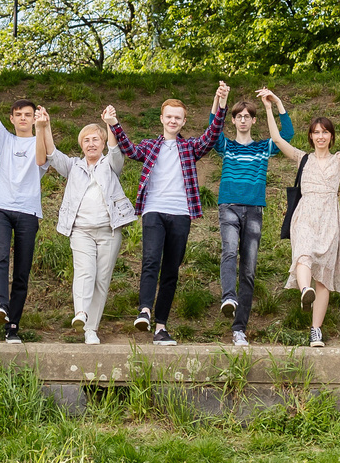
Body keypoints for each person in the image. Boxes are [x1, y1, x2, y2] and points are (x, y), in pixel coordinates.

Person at [108, 80, 232, 343]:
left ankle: (160, 326)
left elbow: (213, 133)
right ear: (162, 119)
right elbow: (129, 150)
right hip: (154, 210)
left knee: (171, 269)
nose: (173, 121)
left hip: (181, 214)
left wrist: (221, 103)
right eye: (169, 117)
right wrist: (114, 124)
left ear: (183, 122)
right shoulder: (151, 146)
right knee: (151, 260)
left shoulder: (190, 148)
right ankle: (144, 310)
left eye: (178, 118)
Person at [271, 85, 340, 349]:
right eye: (316, 132)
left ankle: (316, 331)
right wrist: (272, 104)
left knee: (324, 277)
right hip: (306, 214)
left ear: (331, 136)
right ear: (310, 137)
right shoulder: (302, 158)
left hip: (329, 218)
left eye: (325, 132)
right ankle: (304, 291)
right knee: (303, 254)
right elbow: (277, 139)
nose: (320, 136)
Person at [38, 109, 137, 345]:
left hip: (109, 231)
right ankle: (80, 313)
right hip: (81, 230)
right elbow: (51, 153)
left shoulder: (111, 164)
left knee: (101, 279)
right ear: (81, 145)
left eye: (95, 139)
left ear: (102, 142)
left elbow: (115, 150)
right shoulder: (73, 166)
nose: (91, 144)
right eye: (86, 140)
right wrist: (46, 124)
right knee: (85, 272)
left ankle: (91, 329)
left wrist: (111, 124)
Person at [213, 88, 294, 348]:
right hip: (229, 206)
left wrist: (278, 103)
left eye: (248, 116)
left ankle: (239, 329)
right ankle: (229, 298)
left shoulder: (263, 148)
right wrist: (219, 102)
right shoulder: (226, 145)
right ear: (234, 121)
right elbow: (212, 133)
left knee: (248, 269)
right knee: (228, 251)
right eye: (240, 116)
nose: (244, 120)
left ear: (254, 121)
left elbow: (287, 136)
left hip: (254, 210)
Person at [0, 66, 45, 342]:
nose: (23, 119)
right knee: (1, 257)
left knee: (23, 270)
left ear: (33, 118)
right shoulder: (4, 138)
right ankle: (0, 305)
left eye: (28, 115)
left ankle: (13, 325)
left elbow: (43, 158)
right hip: (2, 207)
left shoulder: (42, 142)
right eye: (19, 115)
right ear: (12, 118)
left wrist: (43, 127)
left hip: (29, 211)